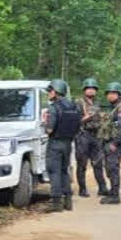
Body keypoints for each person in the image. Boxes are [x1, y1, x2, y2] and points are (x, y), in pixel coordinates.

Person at [44, 80, 80, 212]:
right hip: (68, 144)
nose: (48, 93)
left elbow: (49, 129)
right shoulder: (73, 106)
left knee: (54, 171)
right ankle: (68, 201)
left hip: (55, 143)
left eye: (50, 91)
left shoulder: (53, 107)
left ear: (56, 91)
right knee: (64, 171)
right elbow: (78, 125)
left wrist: (45, 124)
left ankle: (56, 203)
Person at [73, 77, 108, 198]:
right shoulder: (78, 103)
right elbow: (73, 121)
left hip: (96, 136)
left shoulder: (97, 103)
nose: (91, 90)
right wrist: (85, 118)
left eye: (93, 88)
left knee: (98, 163)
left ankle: (102, 188)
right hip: (83, 135)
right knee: (82, 164)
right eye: (89, 88)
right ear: (84, 90)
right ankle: (82, 189)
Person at [98, 82, 121, 205]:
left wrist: (115, 143)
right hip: (108, 142)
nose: (110, 96)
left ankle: (115, 196)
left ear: (119, 94)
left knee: (113, 168)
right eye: (109, 93)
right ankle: (112, 191)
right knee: (109, 168)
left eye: (113, 93)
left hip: (114, 143)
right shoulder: (113, 107)